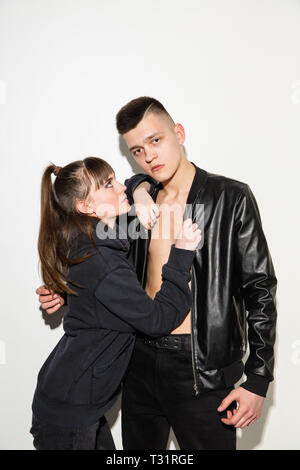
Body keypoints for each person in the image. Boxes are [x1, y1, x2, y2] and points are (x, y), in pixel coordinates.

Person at [37, 97, 277, 450]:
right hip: (137, 362)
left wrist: (258, 378)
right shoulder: (130, 209)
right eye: (137, 149)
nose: (148, 156)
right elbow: (94, 263)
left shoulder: (230, 198)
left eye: (155, 140)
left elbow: (260, 290)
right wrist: (66, 289)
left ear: (178, 134)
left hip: (199, 369)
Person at [30, 156, 201, 450]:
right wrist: (181, 255)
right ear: (87, 207)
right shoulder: (102, 259)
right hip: (71, 410)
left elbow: (98, 300)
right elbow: (156, 320)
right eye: (108, 184)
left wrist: (140, 193)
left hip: (77, 402)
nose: (120, 186)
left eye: (114, 178)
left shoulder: (88, 242)